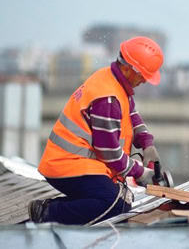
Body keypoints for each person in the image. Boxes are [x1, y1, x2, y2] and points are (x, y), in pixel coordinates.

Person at [29, 36, 164, 224]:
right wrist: (141, 172)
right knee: (116, 204)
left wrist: (147, 144)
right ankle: (48, 213)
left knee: (118, 201)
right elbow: (110, 154)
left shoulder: (112, 79)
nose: (144, 81)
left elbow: (132, 113)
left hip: (81, 163)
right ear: (129, 69)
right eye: (143, 75)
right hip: (67, 166)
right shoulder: (107, 100)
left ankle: (54, 210)